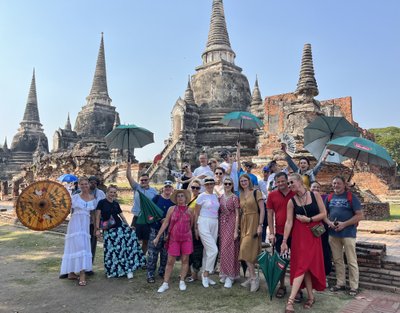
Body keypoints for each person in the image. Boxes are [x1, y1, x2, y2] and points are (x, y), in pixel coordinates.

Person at [281, 173, 327, 313]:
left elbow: (324, 214)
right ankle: (308, 298)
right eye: (288, 183)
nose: (289, 185)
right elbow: (289, 222)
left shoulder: (315, 195)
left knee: (305, 266)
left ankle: (292, 301)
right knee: (302, 267)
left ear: (300, 181)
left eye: (291, 182)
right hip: (299, 237)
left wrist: (309, 219)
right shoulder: (291, 201)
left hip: (313, 234)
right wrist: (284, 241)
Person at [95, 185, 146, 279]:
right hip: (109, 230)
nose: (112, 194)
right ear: (107, 192)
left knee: (124, 248)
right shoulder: (101, 203)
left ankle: (128, 269)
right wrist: (97, 229)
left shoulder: (115, 203)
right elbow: (97, 216)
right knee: (110, 251)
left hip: (119, 228)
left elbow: (121, 216)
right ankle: (112, 270)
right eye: (111, 192)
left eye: (114, 192)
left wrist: (128, 225)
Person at [324, 176, 363, 297]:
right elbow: (324, 214)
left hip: (348, 233)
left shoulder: (352, 197)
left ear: (344, 184)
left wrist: (344, 224)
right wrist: (329, 223)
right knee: (337, 260)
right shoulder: (329, 198)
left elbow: (359, 215)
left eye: (338, 183)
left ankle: (353, 286)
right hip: (333, 233)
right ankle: (340, 283)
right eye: (334, 183)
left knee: (351, 260)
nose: (336, 185)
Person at [154, 189, 194, 293]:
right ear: (176, 199)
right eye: (178, 196)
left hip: (186, 239)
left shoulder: (190, 210)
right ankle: (165, 283)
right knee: (170, 261)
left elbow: (191, 225)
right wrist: (158, 236)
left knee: (185, 260)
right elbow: (165, 223)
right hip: (173, 239)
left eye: (182, 196)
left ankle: (182, 281)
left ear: (186, 198)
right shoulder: (171, 209)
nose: (180, 198)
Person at [60, 177, 95, 286]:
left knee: (83, 246)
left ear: (89, 185)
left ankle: (80, 273)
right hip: (75, 223)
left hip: (85, 225)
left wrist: (96, 228)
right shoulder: (74, 197)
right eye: (82, 184)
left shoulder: (92, 197)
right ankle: (73, 273)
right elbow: (65, 209)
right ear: (79, 185)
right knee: (75, 246)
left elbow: (94, 214)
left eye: (86, 184)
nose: (84, 186)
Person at [266, 172, 296, 299]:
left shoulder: (294, 193)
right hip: (279, 233)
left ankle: (297, 287)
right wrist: (271, 233)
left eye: (283, 181)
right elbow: (269, 215)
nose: (280, 184)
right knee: (281, 261)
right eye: (278, 182)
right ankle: (282, 285)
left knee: (296, 261)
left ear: (287, 180)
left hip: (296, 233)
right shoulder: (272, 195)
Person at [238, 174, 264, 292]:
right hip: (244, 223)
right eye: (241, 181)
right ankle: (252, 277)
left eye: (245, 180)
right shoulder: (241, 194)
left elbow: (262, 209)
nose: (243, 182)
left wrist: (260, 225)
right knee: (247, 251)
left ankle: (254, 278)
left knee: (246, 249)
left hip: (254, 221)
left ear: (249, 181)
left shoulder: (256, 192)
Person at [126, 162, 158, 256]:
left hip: (147, 219)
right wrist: (129, 166)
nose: (143, 182)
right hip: (137, 217)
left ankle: (142, 257)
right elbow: (129, 177)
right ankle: (133, 257)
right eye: (142, 180)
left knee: (146, 240)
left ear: (149, 181)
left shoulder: (154, 191)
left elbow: (155, 206)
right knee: (133, 238)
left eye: (145, 180)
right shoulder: (137, 187)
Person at [146, 180, 175, 283]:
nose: (167, 189)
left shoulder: (173, 201)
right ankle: (150, 273)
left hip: (168, 231)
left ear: (172, 189)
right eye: (166, 187)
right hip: (156, 229)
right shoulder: (157, 199)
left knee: (165, 254)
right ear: (163, 188)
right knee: (153, 253)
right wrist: (159, 220)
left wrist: (168, 221)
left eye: (169, 187)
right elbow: (150, 212)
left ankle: (162, 271)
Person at [194, 176, 220, 288]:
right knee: (214, 250)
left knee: (207, 251)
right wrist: (195, 228)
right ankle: (205, 274)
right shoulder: (201, 196)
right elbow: (196, 213)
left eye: (211, 183)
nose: (209, 185)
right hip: (203, 222)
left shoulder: (215, 196)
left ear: (214, 184)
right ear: (204, 185)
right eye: (207, 184)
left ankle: (206, 276)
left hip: (214, 222)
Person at [218, 177, 240, 288]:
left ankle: (230, 276)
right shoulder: (220, 197)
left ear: (232, 185)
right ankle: (224, 273)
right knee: (223, 249)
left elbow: (237, 214)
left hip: (231, 224)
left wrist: (236, 230)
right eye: (225, 183)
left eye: (229, 184)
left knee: (230, 249)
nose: (227, 186)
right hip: (222, 224)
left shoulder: (235, 198)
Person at [310, 181, 332, 276]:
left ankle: (324, 273)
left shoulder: (324, 198)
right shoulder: (305, 198)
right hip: (310, 228)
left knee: (323, 250)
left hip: (322, 228)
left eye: (318, 188)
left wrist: (329, 222)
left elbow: (325, 214)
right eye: (314, 187)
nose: (316, 189)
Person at [187, 179, 203, 282]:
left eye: (197, 188)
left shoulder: (200, 198)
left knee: (196, 250)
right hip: (186, 227)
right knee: (187, 249)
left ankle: (195, 273)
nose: (195, 189)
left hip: (195, 226)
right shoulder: (188, 197)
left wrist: (196, 228)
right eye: (193, 187)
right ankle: (187, 271)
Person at [88, 175, 106, 267]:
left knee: (93, 242)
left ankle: (90, 263)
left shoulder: (101, 193)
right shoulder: (83, 192)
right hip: (85, 220)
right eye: (91, 182)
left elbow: (103, 205)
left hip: (96, 221)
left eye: (95, 183)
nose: (93, 184)